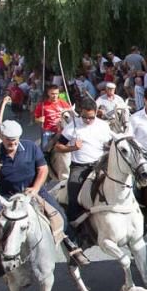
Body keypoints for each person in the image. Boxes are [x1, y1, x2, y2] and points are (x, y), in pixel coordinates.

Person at [0, 120, 85, 279]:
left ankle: (72, 247)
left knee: (60, 215)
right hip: (7, 196)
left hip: (33, 191)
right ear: (1, 137)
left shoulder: (31, 147)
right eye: (9, 140)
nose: (12, 143)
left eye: (15, 140)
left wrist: (36, 188)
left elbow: (43, 169)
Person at [54, 97, 113, 240]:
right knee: (73, 194)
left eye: (91, 117)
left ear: (96, 113)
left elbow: (110, 144)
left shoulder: (103, 126)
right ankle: (72, 232)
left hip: (100, 164)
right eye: (84, 117)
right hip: (80, 166)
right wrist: (73, 147)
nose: (87, 120)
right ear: (80, 113)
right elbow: (58, 146)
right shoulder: (72, 126)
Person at [33, 84, 72, 150]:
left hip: (62, 132)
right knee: (45, 150)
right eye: (52, 94)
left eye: (56, 94)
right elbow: (35, 119)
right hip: (48, 132)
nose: (55, 96)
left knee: (62, 151)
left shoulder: (63, 103)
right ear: (48, 93)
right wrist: (39, 120)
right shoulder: (42, 105)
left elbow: (71, 116)